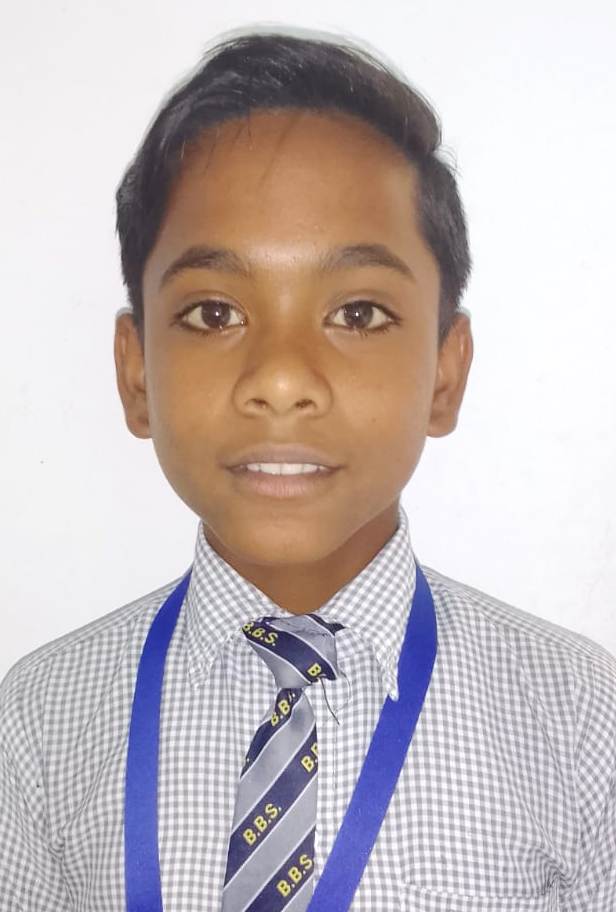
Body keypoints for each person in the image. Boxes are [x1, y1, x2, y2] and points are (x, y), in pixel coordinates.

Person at [1, 24, 614, 912]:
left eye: (357, 313)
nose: (282, 379)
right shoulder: (39, 722)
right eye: (214, 313)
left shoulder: (581, 719)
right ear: (136, 376)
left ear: (445, 374)